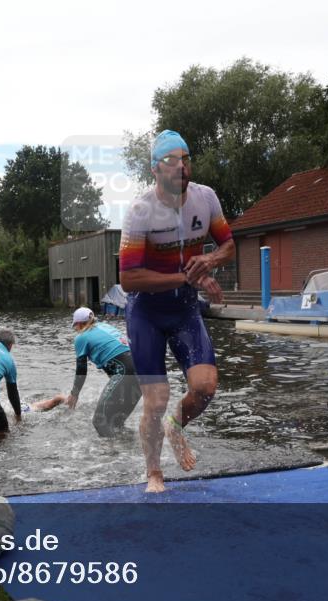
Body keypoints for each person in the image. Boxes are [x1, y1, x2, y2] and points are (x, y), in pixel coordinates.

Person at [118, 129, 232, 493]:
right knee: (156, 399)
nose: (180, 166)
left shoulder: (206, 198)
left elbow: (229, 244)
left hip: (183, 309)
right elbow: (129, 278)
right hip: (146, 313)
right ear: (155, 170)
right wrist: (187, 276)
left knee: (205, 387)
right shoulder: (140, 212)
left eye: (185, 158)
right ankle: (154, 472)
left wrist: (209, 260)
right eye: (171, 161)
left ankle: (176, 426)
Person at [67, 306, 141, 437]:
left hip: (126, 372)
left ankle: (114, 456)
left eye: (75, 327)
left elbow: (81, 369)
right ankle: (129, 452)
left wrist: (74, 394)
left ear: (78, 324)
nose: (76, 330)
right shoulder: (106, 327)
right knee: (116, 422)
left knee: (99, 421)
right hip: (143, 372)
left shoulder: (81, 337)